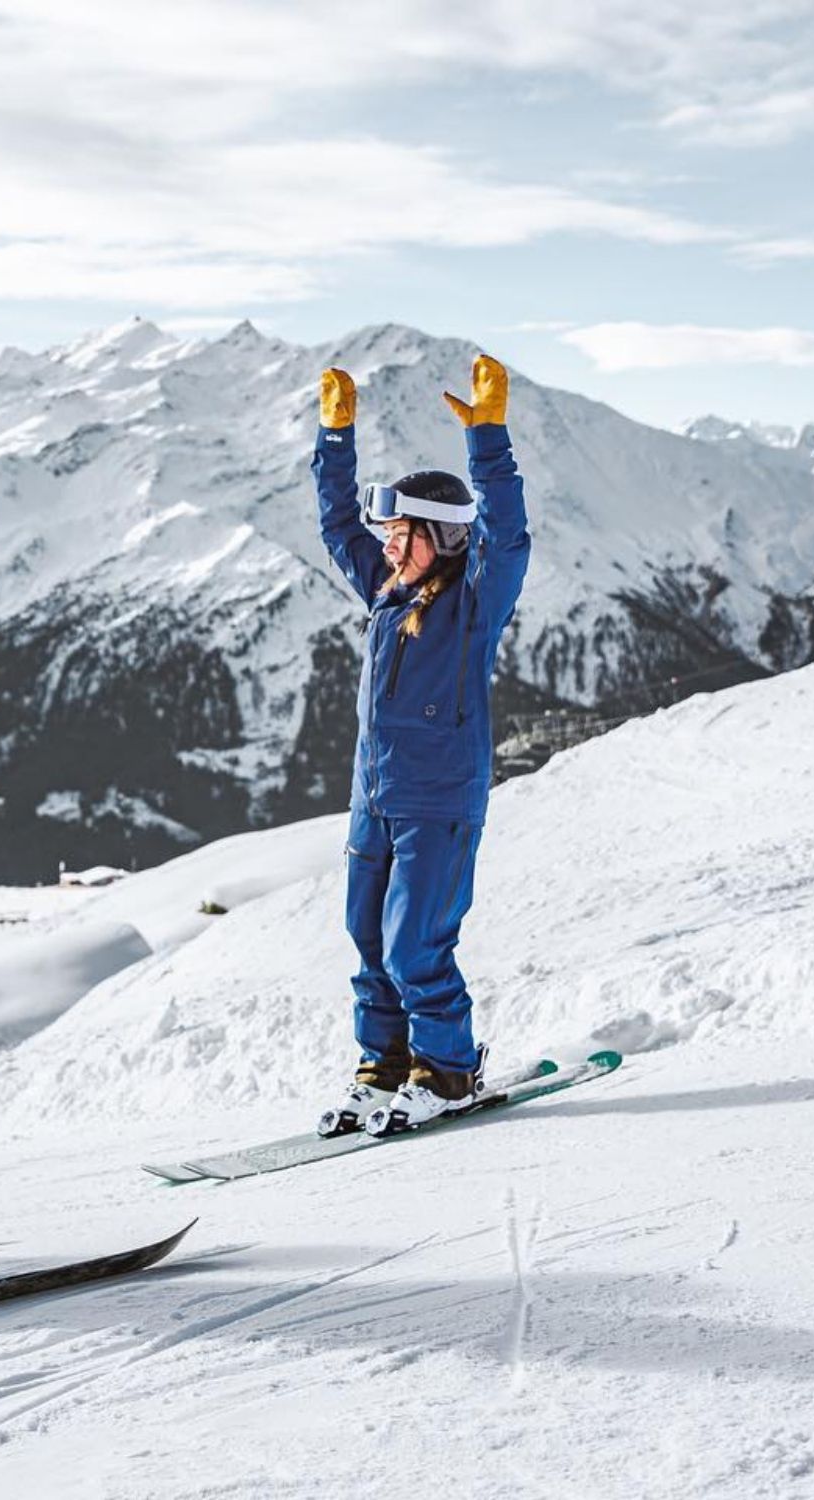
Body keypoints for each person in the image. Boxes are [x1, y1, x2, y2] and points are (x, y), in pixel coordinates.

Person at [310, 354, 531, 1137]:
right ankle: (386, 1066)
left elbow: (509, 538)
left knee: (415, 948)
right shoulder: (386, 588)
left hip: (438, 800)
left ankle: (448, 1069)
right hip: (372, 797)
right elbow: (338, 524)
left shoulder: (473, 604)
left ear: (441, 536)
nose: (390, 545)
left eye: (405, 533)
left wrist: (489, 439)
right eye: (390, 532)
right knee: (367, 943)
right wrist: (335, 438)